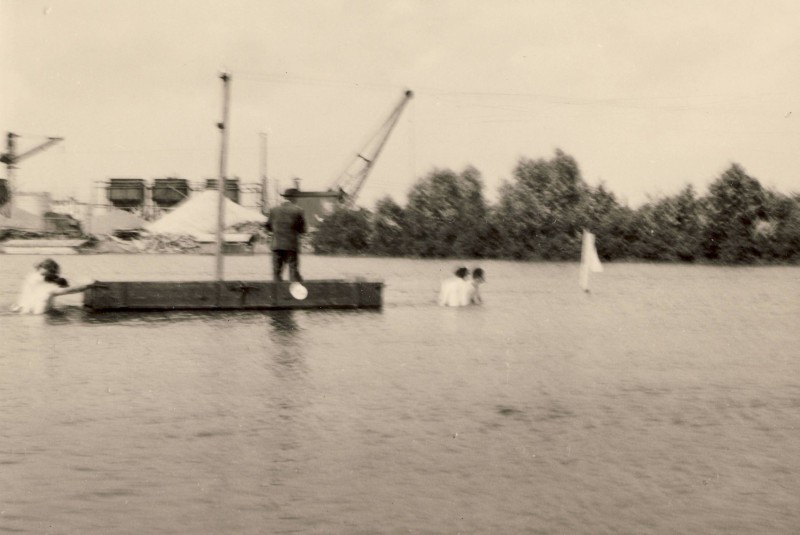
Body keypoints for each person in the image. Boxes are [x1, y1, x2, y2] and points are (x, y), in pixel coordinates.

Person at [11, 258, 92, 314]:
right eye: (54, 273)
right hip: (39, 317)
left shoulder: (31, 278)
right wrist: (89, 286)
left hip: (22, 309)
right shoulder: (48, 288)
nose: (56, 275)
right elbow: (68, 290)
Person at [266, 188, 307, 282]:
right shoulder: (298, 211)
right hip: (291, 245)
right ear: (294, 198)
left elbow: (268, 226)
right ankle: (294, 288)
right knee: (293, 270)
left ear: (284, 198)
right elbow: (302, 230)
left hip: (276, 244)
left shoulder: (274, 210)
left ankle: (276, 290)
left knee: (276, 272)